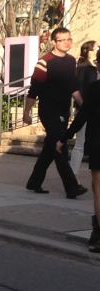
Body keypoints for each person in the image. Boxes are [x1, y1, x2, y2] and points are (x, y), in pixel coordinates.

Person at [23, 27, 87, 199]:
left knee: (51, 148)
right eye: (62, 40)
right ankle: (72, 187)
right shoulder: (45, 62)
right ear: (54, 42)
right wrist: (26, 113)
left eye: (69, 39)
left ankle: (34, 182)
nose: (66, 42)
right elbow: (33, 90)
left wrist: (85, 107)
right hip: (48, 111)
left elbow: (72, 86)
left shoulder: (70, 61)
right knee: (60, 146)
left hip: (63, 110)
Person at [57, 47, 100, 251]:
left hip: (99, 142)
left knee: (98, 188)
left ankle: (99, 234)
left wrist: (64, 137)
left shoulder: (95, 89)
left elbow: (82, 116)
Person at [70, 40, 99, 177]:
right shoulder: (88, 70)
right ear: (90, 51)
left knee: (79, 145)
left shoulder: (83, 68)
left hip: (86, 110)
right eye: (97, 47)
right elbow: (83, 91)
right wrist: (85, 107)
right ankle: (72, 178)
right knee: (80, 145)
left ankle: (72, 177)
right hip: (88, 111)